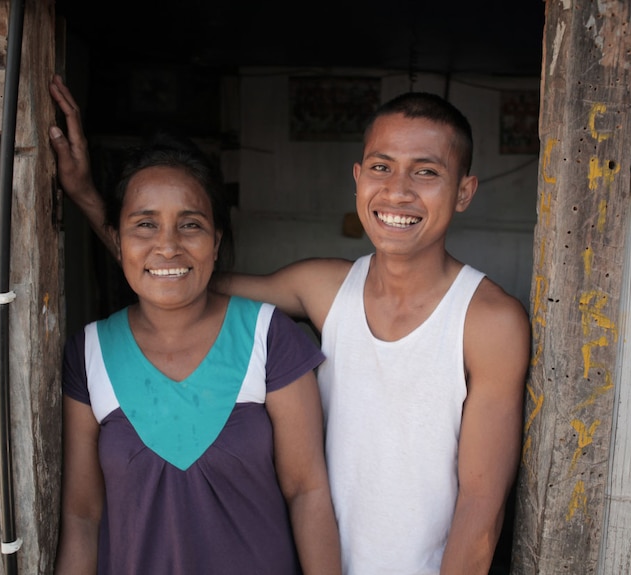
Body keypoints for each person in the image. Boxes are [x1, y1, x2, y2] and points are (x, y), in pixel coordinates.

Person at [50, 74, 530, 575]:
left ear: (465, 191)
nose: (397, 191)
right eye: (381, 167)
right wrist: (85, 195)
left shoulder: (488, 321)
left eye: (426, 172)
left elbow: (481, 512)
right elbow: (177, 277)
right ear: (357, 177)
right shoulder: (325, 289)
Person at [53, 138, 341, 574]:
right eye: (145, 225)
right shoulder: (90, 352)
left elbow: (307, 491)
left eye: (190, 225)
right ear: (116, 238)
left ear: (216, 239)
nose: (168, 246)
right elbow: (82, 517)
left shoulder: (267, 335)